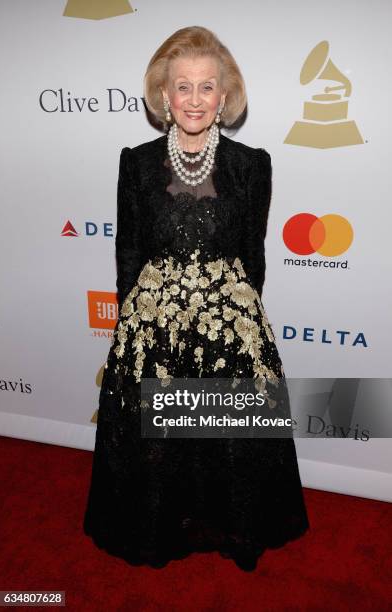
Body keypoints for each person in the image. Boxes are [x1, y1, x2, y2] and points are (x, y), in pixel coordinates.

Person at [83, 25, 310, 572]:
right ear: (164, 96)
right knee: (160, 441)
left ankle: (233, 528)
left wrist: (243, 318)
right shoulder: (135, 162)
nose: (194, 99)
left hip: (226, 324)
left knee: (226, 438)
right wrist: (129, 332)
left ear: (225, 96)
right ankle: (160, 531)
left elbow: (253, 257)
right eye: (182, 87)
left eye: (207, 87)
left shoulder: (250, 164)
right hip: (153, 324)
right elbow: (129, 251)